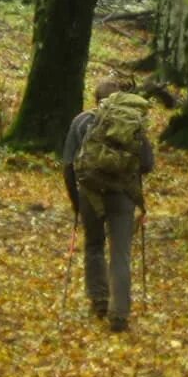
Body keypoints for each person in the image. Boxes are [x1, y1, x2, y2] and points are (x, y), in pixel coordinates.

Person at [61, 78, 155, 332]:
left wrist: (76, 202)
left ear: (95, 99)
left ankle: (99, 299)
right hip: (123, 195)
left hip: (90, 194)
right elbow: (147, 163)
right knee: (120, 253)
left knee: (93, 245)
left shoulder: (80, 122)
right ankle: (120, 314)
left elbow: (69, 166)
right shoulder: (132, 120)